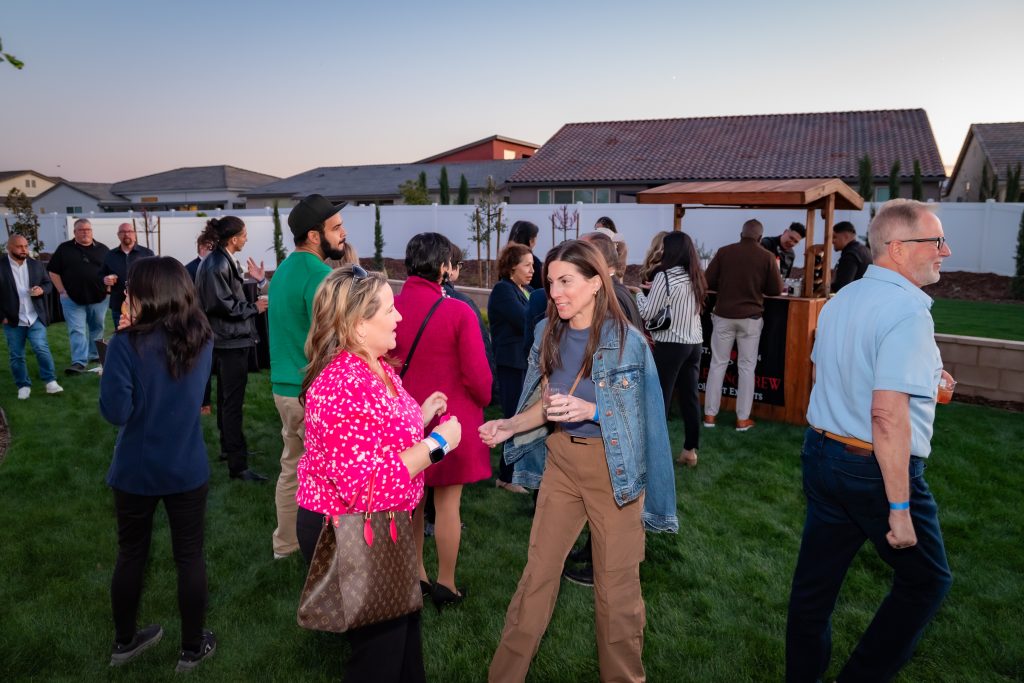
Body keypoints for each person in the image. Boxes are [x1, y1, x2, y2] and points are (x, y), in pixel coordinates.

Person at [480, 239, 677, 683]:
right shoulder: (547, 332)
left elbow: (647, 421)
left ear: (595, 282)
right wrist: (509, 426)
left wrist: (593, 411)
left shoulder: (627, 343)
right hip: (562, 465)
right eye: (550, 283)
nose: (556, 293)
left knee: (617, 594)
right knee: (536, 580)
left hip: (615, 472)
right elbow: (547, 402)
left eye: (565, 281)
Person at [786, 199, 954, 682]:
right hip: (871, 468)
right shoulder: (906, 311)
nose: (945, 250)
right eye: (936, 240)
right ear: (898, 248)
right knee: (927, 582)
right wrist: (898, 508)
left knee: (814, 591)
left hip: (822, 454)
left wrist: (928, 378)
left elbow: (837, 371)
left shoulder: (844, 299)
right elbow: (885, 413)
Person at [295, 265, 462, 683]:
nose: (400, 316)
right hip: (349, 529)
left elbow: (374, 437)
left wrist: (418, 417)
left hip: (384, 525)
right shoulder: (340, 385)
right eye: (389, 309)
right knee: (378, 659)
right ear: (357, 324)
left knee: (403, 644)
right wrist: (436, 445)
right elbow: (365, 486)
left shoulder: (376, 366)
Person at [100, 257, 217, 672]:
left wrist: (116, 348)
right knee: (189, 556)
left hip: (136, 469)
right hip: (186, 467)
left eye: (131, 289)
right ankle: (190, 648)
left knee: (131, 553)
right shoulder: (203, 339)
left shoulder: (125, 345)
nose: (125, 295)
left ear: (149, 293)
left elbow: (116, 411)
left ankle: (125, 641)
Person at [394, 233, 492, 609]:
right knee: (449, 506)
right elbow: (479, 378)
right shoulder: (458, 311)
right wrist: (483, 401)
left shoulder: (391, 307)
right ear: (443, 267)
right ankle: (446, 584)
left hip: (404, 419)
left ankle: (416, 575)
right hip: (450, 421)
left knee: (411, 503)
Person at [268, 193, 348, 560]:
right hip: (311, 392)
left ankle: (285, 545)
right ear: (315, 236)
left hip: (283, 389)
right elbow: (336, 338)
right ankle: (326, 553)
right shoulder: (320, 276)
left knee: (291, 467)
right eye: (336, 228)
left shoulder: (283, 270)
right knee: (329, 476)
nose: (342, 234)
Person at [194, 216, 268, 481]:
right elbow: (221, 304)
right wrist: (254, 308)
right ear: (233, 238)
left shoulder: (219, 260)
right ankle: (238, 465)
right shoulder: (216, 264)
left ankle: (229, 448)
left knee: (227, 399)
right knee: (232, 403)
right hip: (229, 341)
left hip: (227, 340)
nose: (247, 238)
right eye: (244, 234)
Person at [704, 219, 783, 431]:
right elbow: (776, 289)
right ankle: (742, 419)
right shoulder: (767, 257)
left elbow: (707, 281)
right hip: (750, 319)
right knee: (747, 368)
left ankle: (710, 416)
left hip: (723, 315)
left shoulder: (724, 252)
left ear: (741, 234)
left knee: (717, 365)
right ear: (759, 237)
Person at [636, 231, 707, 467]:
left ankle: (655, 454)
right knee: (690, 398)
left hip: (671, 343)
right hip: (694, 343)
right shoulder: (694, 275)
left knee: (660, 398)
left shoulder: (665, 276)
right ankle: (690, 451)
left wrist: (638, 293)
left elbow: (647, 312)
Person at [488, 243, 535, 494]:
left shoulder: (524, 289)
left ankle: (519, 471)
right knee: (512, 418)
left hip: (524, 364)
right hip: (511, 365)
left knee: (522, 417)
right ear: (511, 266)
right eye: (526, 265)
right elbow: (525, 320)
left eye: (532, 265)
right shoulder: (503, 290)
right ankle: (506, 477)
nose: (532, 269)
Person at [0, 234, 62, 399]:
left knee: (41, 348)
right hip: (13, 320)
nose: (24, 250)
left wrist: (41, 290)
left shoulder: (36, 265)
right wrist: (2, 317)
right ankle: (23, 385)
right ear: (9, 248)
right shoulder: (1, 266)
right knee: (16, 354)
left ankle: (50, 381)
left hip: (35, 316)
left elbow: (48, 284)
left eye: (26, 246)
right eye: (20, 246)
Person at [46, 218, 109, 375]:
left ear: (92, 231)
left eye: (88, 229)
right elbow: (53, 271)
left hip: (99, 298)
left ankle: (95, 355)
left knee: (97, 328)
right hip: (72, 299)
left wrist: (108, 290)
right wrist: (61, 291)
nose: (85, 232)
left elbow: (111, 271)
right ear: (74, 232)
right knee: (77, 330)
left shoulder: (103, 249)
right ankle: (79, 362)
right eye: (81, 230)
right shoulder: (64, 249)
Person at [442, 241, 496, 398]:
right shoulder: (462, 304)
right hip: (456, 393)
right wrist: (491, 389)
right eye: (459, 264)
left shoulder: (401, 303)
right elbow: (481, 349)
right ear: (449, 269)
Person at [100, 223, 154, 328]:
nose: (126, 234)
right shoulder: (110, 255)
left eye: (129, 231)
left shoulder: (147, 253)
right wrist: (105, 279)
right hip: (118, 305)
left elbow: (155, 276)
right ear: (118, 235)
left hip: (143, 304)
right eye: (123, 232)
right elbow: (101, 274)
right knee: (121, 336)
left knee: (143, 334)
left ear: (135, 234)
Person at [831, 220, 872, 292]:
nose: (832, 241)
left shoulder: (850, 255)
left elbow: (842, 287)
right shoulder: (864, 250)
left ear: (846, 236)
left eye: (834, 237)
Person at [508, 220, 543, 290]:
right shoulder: (534, 262)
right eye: (527, 265)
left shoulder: (505, 259)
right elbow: (540, 289)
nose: (531, 270)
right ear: (531, 241)